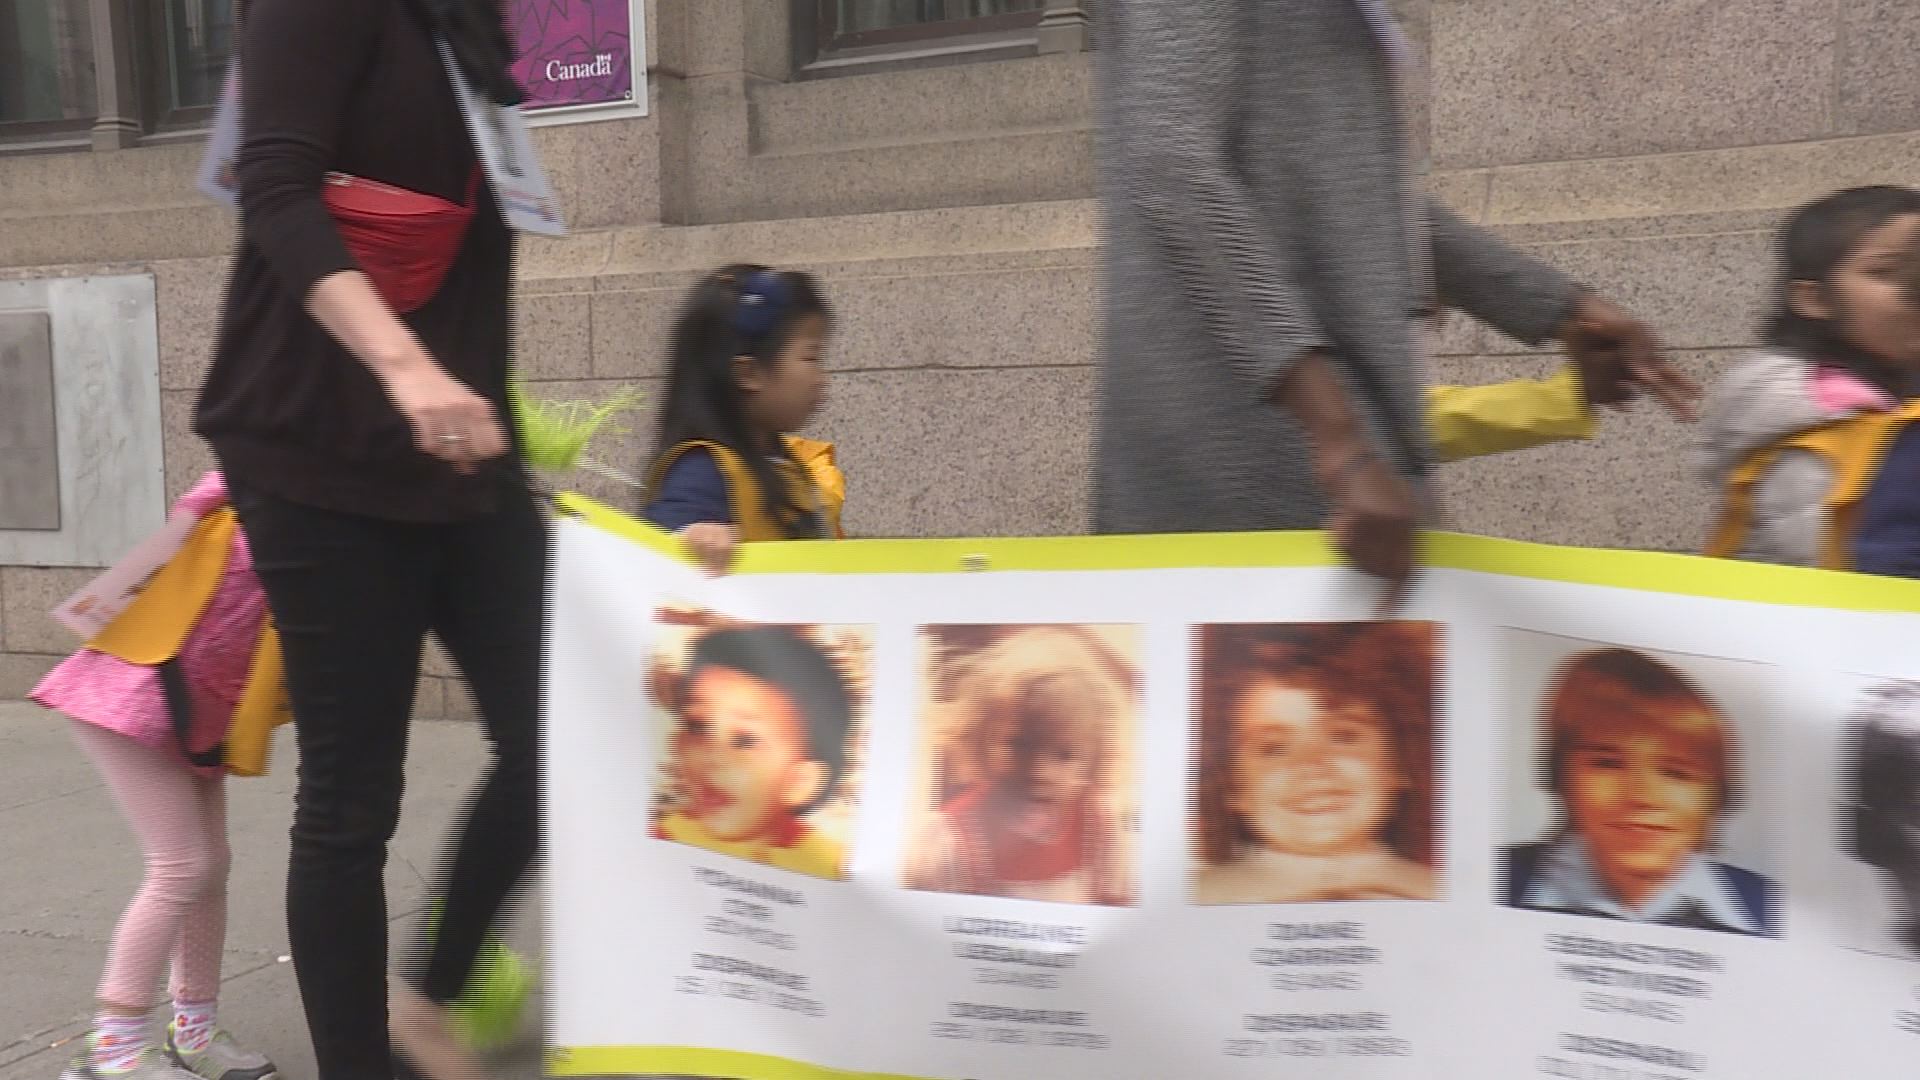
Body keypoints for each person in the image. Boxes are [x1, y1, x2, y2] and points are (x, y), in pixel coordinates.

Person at [192, 1, 544, 1077]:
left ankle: (426, 999)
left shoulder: (462, 29)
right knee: (353, 799)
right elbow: (279, 191)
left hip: (466, 460)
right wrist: (405, 370)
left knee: (560, 739)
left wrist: (492, 429)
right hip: (321, 452)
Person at [1093, 0, 1697, 603]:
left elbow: (1361, 205)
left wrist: (1563, 306)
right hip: (1236, 489)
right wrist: (1339, 439)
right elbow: (1171, 169)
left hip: (1342, 484)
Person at [32, 474, 278, 1080]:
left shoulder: (300, 521)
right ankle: (112, 1049)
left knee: (209, 868)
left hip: (201, 713)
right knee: (183, 865)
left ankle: (192, 1030)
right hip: (128, 697)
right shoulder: (250, 514)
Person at [1700, 186, 1920, 571]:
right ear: (1813, 299)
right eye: (1884, 271)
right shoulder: (1819, 415)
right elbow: (1862, 562)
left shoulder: (1899, 390)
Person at [1502, 649, 1776, 937]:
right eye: (1608, 764)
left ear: (1716, 795)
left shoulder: (1771, 909)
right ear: (1561, 776)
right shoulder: (1490, 879)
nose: (1643, 796)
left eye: (1677, 772)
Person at [1193, 623, 1437, 904]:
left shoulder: (1443, 894)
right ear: (1233, 788)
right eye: (1273, 749)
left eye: (1342, 736)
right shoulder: (1196, 898)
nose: (1311, 764)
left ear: (1399, 764)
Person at [904, 627, 1136, 906]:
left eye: (1064, 755)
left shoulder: (1098, 832)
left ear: (1095, 761)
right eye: (1020, 745)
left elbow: (1119, 913)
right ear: (981, 737)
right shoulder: (952, 844)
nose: (1039, 772)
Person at [642, 265, 843, 574]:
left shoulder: (786, 461)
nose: (821, 378)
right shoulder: (703, 469)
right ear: (749, 373)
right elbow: (654, 555)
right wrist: (692, 535)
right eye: (811, 357)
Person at [651, 625, 859, 880]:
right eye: (698, 727)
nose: (712, 757)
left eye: (744, 741)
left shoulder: (832, 865)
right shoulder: (665, 838)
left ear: (799, 782)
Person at [1843, 680, 1920, 958]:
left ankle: (1912, 924)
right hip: (1886, 820)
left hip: (1890, 820)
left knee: (1905, 870)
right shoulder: (1876, 734)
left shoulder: (1875, 731)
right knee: (1905, 868)